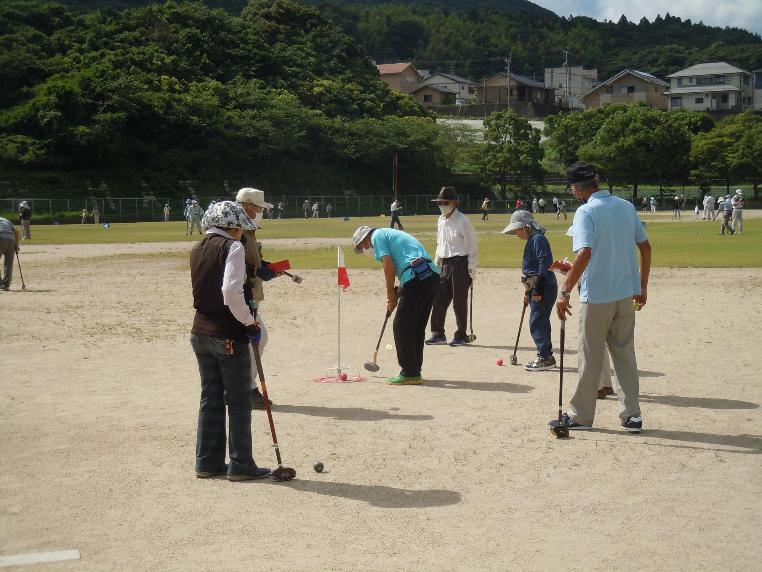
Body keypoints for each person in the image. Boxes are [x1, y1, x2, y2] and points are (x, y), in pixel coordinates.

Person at [553, 162, 651, 434]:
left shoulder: (586, 211)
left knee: (589, 355)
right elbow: (645, 246)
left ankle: (582, 416)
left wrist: (564, 291)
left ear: (576, 188)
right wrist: (642, 286)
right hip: (625, 293)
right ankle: (632, 415)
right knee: (624, 354)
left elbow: (584, 252)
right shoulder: (625, 206)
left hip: (597, 296)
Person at [189, 201, 271, 481]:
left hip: (200, 332)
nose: (241, 235)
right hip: (228, 334)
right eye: (240, 229)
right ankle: (241, 464)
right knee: (238, 401)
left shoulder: (197, 248)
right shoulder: (232, 247)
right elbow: (230, 291)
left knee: (210, 398)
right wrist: (249, 321)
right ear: (232, 227)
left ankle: (207, 462)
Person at [352, 226, 439, 385]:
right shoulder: (389, 234)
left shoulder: (377, 236)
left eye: (362, 246)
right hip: (430, 276)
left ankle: (409, 372)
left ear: (366, 238)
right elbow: (406, 269)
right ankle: (414, 370)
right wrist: (397, 294)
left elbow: (388, 266)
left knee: (401, 326)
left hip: (417, 276)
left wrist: (390, 295)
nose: (365, 249)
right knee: (416, 327)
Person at [235, 188, 281, 409]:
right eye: (259, 209)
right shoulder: (237, 232)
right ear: (246, 207)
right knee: (256, 338)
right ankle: (246, 389)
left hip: (251, 292)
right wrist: (256, 271)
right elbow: (234, 264)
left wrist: (266, 266)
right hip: (242, 294)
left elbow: (252, 260)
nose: (261, 212)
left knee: (253, 340)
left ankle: (244, 387)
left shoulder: (249, 231)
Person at [503, 210, 557, 371]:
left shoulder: (538, 239)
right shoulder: (533, 239)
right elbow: (531, 270)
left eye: (518, 229)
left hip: (543, 285)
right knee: (540, 320)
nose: (516, 233)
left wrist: (538, 289)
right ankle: (546, 355)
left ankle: (545, 357)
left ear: (527, 227)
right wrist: (528, 292)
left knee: (537, 321)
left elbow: (543, 263)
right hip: (536, 285)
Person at [426, 187, 478, 347]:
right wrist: (436, 264)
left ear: (454, 203)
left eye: (445, 202)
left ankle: (461, 334)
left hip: (460, 264)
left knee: (459, 301)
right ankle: (438, 333)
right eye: (439, 203)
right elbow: (439, 243)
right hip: (444, 264)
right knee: (438, 299)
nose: (442, 205)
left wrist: (472, 268)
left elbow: (472, 245)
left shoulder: (463, 221)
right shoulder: (440, 220)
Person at [0, 216, 20, 291]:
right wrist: (17, 245)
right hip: (12, 239)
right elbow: (17, 232)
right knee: (9, 263)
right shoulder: (6, 220)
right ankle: (6, 284)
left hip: (1, 238)